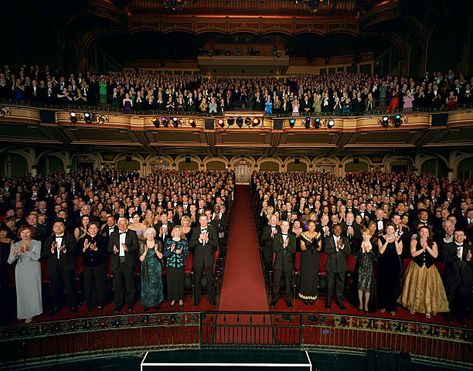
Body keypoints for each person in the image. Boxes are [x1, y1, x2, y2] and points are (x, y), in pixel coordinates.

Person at [398, 226, 449, 319]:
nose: (424, 233)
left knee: (428, 288)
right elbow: (413, 254)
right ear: (419, 233)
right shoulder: (414, 241)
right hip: (416, 267)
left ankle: (427, 309)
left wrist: (427, 248)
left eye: (426, 232)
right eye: (422, 231)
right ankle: (413, 306)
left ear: (429, 233)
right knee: (415, 286)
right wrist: (422, 249)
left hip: (429, 269)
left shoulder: (433, 243)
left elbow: (435, 255)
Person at [7, 225, 42, 323]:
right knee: (22, 292)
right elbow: (9, 261)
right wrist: (14, 254)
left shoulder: (37, 243)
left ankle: (32, 313)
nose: (25, 234)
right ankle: (23, 313)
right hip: (20, 269)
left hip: (33, 268)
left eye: (27, 232)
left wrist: (26, 251)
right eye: (23, 232)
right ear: (19, 233)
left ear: (31, 233)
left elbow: (36, 257)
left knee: (33, 291)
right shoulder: (15, 244)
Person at [42, 219, 78, 314]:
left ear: (64, 227)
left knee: (70, 286)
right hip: (54, 267)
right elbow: (44, 254)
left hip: (67, 266)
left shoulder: (70, 237)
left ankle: (72, 305)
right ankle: (56, 305)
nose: (58, 227)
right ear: (53, 228)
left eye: (61, 225)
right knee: (55, 288)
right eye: (56, 226)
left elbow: (75, 250)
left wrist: (65, 250)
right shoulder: (48, 239)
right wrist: (52, 250)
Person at [108, 217, 139, 313]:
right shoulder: (113, 234)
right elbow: (108, 249)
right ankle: (118, 304)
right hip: (117, 263)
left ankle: (130, 304)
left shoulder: (132, 233)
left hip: (128, 262)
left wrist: (127, 248)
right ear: (117, 225)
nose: (122, 225)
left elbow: (136, 247)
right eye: (120, 224)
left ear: (127, 224)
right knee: (118, 285)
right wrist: (113, 250)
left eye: (124, 224)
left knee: (129, 284)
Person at [442, 230, 473, 326]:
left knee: (463, 298)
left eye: (461, 235)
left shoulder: (470, 248)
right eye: (456, 234)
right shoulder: (447, 246)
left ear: (465, 237)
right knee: (450, 296)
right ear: (453, 236)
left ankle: (460, 316)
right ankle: (447, 314)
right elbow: (444, 260)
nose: (459, 236)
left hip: (466, 278)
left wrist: (468, 259)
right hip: (452, 276)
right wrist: (455, 256)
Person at [191, 215, 218, 306]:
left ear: (208, 221)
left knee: (210, 280)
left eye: (205, 220)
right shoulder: (195, 230)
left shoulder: (212, 229)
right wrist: (199, 240)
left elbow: (215, 244)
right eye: (201, 220)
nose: (203, 222)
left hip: (208, 258)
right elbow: (191, 245)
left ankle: (212, 298)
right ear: (199, 221)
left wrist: (207, 240)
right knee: (197, 280)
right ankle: (197, 299)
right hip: (198, 259)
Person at [79, 221, 107, 311]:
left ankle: (100, 303)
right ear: (88, 230)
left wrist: (96, 249)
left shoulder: (103, 239)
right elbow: (79, 255)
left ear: (98, 229)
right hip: (87, 266)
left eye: (95, 228)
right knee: (88, 285)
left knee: (99, 285)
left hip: (99, 265)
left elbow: (105, 255)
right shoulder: (83, 239)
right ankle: (90, 304)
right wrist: (84, 249)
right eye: (91, 228)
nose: (93, 230)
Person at [377, 223, 403, 316]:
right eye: (388, 228)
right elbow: (381, 251)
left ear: (394, 230)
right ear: (386, 229)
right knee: (383, 285)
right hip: (384, 264)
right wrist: (387, 241)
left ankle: (392, 307)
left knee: (393, 286)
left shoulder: (399, 239)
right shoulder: (380, 238)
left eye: (391, 229)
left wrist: (395, 241)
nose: (389, 230)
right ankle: (383, 305)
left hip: (395, 265)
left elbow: (399, 252)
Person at [270, 220, 297, 309]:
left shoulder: (293, 237)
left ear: (289, 227)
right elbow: (274, 248)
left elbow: (293, 250)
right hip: (278, 263)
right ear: (281, 226)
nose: (285, 227)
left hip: (288, 264)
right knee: (276, 282)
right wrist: (283, 246)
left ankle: (288, 300)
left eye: (287, 226)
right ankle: (274, 300)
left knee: (288, 283)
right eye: (283, 225)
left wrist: (287, 246)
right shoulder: (276, 236)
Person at [325, 224, 351, 310]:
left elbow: (348, 251)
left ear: (341, 230)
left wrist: (342, 246)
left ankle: (339, 301)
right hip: (331, 266)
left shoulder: (345, 239)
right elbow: (327, 250)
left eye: (339, 229)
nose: (337, 230)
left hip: (341, 266)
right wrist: (336, 248)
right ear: (333, 230)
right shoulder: (328, 239)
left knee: (340, 285)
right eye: (336, 229)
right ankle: (328, 303)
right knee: (330, 285)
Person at [164, 225, 189, 307]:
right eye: (176, 231)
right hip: (170, 265)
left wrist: (181, 252)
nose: (177, 232)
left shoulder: (184, 241)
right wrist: (171, 250)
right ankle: (173, 298)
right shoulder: (168, 241)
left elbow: (187, 254)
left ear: (181, 232)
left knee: (180, 282)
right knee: (171, 282)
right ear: (173, 232)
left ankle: (180, 298)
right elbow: (165, 254)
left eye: (179, 231)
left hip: (180, 264)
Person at [139, 227, 164, 310]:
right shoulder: (142, 243)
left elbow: (161, 257)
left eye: (152, 233)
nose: (150, 235)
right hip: (146, 266)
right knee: (146, 284)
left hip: (156, 267)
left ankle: (157, 302)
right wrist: (145, 252)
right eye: (148, 234)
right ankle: (146, 303)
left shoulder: (158, 242)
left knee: (156, 284)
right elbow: (141, 259)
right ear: (145, 235)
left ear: (154, 235)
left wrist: (156, 250)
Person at [298, 220, 322, 305]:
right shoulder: (303, 234)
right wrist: (310, 245)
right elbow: (302, 247)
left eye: (313, 226)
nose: (311, 227)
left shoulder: (318, 234)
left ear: (315, 226)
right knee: (306, 276)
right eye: (310, 225)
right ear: (307, 226)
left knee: (313, 276)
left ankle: (312, 296)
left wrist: (316, 244)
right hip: (306, 257)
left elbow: (319, 249)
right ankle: (304, 296)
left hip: (314, 257)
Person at [357, 228, 377, 312]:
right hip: (360, 268)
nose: (365, 236)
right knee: (360, 286)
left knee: (367, 287)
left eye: (367, 234)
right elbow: (356, 256)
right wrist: (362, 250)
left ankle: (366, 305)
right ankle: (361, 303)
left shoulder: (374, 245)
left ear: (370, 236)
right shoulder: (359, 244)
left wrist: (369, 251)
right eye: (363, 234)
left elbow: (376, 258)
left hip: (369, 268)